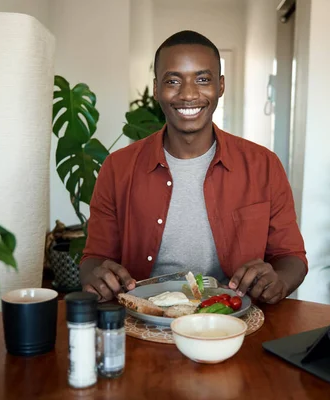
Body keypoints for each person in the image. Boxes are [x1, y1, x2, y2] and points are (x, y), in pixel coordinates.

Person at [79, 30, 308, 304]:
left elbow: (291, 257)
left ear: (220, 86)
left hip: (234, 319)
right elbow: (93, 259)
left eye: (203, 79)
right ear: (156, 89)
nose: (188, 94)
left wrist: (279, 279)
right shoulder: (118, 167)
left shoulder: (264, 165)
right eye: (173, 80)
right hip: (143, 319)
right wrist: (97, 275)